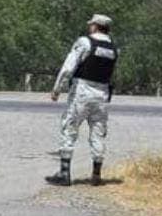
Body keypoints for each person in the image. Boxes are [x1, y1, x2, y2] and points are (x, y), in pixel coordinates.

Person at [48, 14, 118, 186]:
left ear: (95, 26)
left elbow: (68, 67)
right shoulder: (113, 48)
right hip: (102, 94)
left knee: (69, 128)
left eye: (91, 25)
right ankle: (96, 174)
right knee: (98, 132)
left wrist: (57, 89)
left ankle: (64, 174)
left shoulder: (85, 42)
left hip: (82, 91)